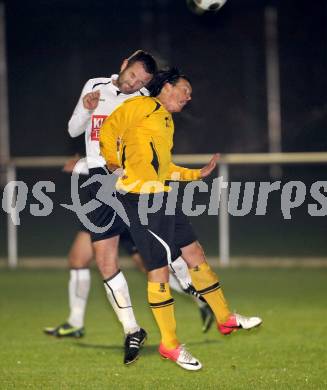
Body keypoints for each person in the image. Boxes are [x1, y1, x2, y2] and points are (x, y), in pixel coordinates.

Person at [99, 67, 262, 370]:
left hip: (162, 194)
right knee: (159, 271)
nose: (189, 96)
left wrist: (195, 174)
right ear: (168, 86)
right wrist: (111, 164)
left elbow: (164, 168)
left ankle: (225, 318)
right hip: (142, 200)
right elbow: (109, 129)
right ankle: (170, 345)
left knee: (194, 252)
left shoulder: (164, 119)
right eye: (185, 89)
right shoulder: (142, 105)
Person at [44, 50, 157, 365]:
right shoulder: (94, 85)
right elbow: (74, 130)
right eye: (133, 75)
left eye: (142, 81)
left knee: (146, 254)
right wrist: (86, 107)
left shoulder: (145, 101)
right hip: (95, 183)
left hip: (126, 182)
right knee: (105, 261)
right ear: (123, 65)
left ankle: (195, 294)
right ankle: (132, 329)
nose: (135, 83)